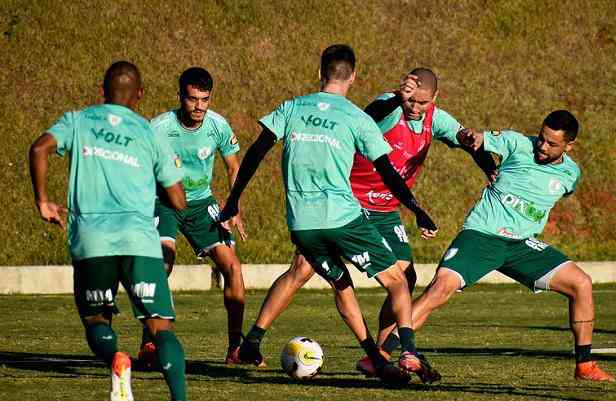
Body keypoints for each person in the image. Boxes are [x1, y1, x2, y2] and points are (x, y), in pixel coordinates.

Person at [234, 68, 497, 378]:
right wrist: (399, 98)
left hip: (386, 208)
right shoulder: (389, 106)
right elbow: (366, 114)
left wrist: (489, 169)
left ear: (434, 99)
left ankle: (381, 354)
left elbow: (468, 141)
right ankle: (253, 338)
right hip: (351, 201)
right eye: (412, 100)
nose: (415, 107)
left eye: (423, 103)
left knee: (404, 276)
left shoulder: (436, 118)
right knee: (301, 270)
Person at [218, 44, 440, 384]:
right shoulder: (356, 117)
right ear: (352, 76)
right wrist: (417, 209)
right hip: (343, 219)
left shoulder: (291, 107)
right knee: (398, 281)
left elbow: (256, 152)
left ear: (319, 73)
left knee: (342, 286)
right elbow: (388, 172)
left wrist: (233, 201)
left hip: (302, 225)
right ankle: (408, 350)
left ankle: (374, 362)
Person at [379, 110, 615, 382]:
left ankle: (584, 365)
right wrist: (472, 137)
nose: (542, 145)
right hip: (482, 236)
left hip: (521, 245)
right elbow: (482, 139)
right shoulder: (517, 143)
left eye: (552, 143)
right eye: (541, 138)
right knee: (439, 290)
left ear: (569, 146)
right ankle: (379, 357)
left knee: (581, 284)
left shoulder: (570, 174)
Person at [29, 61, 188, 401]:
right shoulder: (150, 133)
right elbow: (178, 199)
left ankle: (117, 359)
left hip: (92, 239)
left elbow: (39, 148)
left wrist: (43, 201)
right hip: (140, 241)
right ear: (140, 95)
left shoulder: (78, 120)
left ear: (102, 91)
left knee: (97, 319)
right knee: (161, 327)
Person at [139, 67, 247, 366]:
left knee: (233, 268)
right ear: (180, 97)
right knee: (163, 264)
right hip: (164, 203)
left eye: (205, 99)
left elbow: (233, 166)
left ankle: (235, 349)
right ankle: (149, 342)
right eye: (192, 99)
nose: (199, 106)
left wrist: (234, 205)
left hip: (203, 205)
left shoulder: (218, 126)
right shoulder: (158, 128)